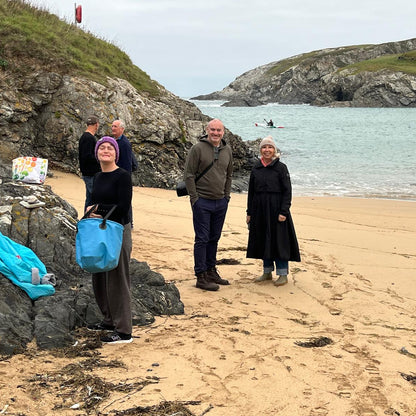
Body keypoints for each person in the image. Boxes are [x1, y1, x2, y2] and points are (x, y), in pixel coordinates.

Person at [86, 136, 133, 344]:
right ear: (97, 153)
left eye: (110, 148)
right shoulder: (97, 176)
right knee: (99, 274)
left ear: (116, 153)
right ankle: (108, 320)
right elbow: (91, 203)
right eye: (102, 148)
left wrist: (97, 210)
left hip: (118, 230)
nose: (106, 150)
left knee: (117, 277)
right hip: (99, 231)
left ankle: (124, 331)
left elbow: (123, 206)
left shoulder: (122, 176)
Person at [184, 119, 233, 291]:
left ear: (223, 132)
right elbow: (189, 175)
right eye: (212, 130)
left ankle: (212, 270)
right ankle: (201, 275)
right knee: (202, 239)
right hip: (202, 201)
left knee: (214, 238)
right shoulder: (197, 149)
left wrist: (226, 196)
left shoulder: (227, 150)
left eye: (219, 130)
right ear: (207, 130)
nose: (215, 133)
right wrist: (194, 198)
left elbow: (229, 175)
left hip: (220, 202)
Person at [246, 136, 300, 286]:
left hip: (277, 210)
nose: (267, 150)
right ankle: (267, 271)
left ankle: (282, 274)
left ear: (274, 150)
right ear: (260, 150)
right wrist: (249, 213)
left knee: (279, 242)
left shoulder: (281, 168)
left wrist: (284, 211)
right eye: (264, 147)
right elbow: (251, 192)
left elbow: (287, 191)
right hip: (259, 210)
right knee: (263, 240)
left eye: (270, 147)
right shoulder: (256, 168)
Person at [111, 119, 135, 224]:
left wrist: (125, 178)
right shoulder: (114, 141)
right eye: (112, 126)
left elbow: (128, 163)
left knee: (125, 200)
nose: (113, 128)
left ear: (122, 129)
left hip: (122, 176)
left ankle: (129, 222)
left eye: (115, 126)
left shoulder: (124, 143)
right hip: (115, 175)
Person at [78, 115, 101, 212]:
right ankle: (88, 219)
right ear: (96, 125)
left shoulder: (85, 137)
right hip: (90, 173)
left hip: (88, 172)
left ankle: (86, 219)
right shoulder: (88, 138)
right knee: (94, 198)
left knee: (90, 198)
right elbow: (87, 156)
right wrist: (99, 158)